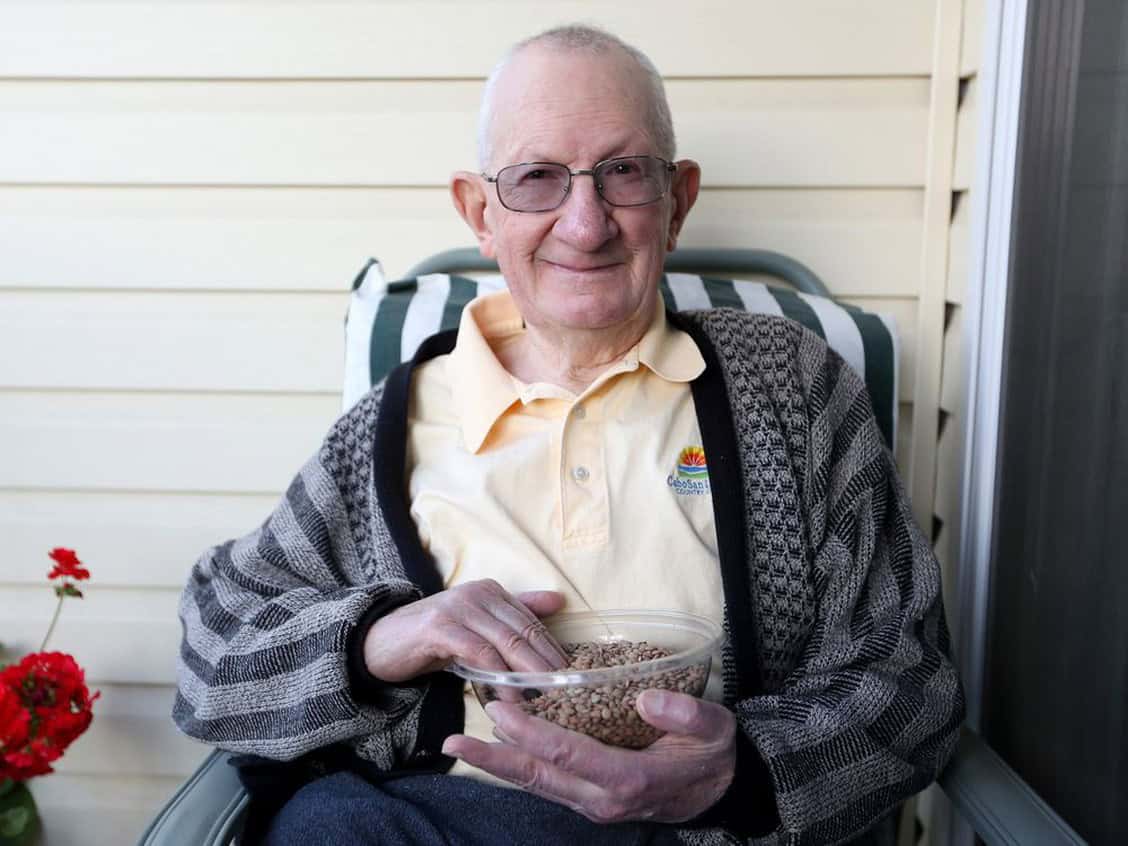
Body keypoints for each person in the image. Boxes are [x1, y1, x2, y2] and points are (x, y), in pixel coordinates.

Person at [174, 24, 964, 846]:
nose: (585, 225)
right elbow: (212, 652)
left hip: (701, 832)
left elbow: (912, 678)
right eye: (537, 179)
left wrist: (738, 776)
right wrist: (378, 636)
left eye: (622, 173)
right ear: (480, 212)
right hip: (423, 823)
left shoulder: (792, 389)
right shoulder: (391, 424)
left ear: (678, 199)